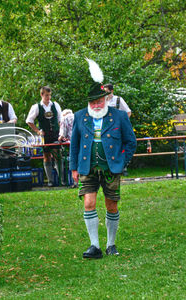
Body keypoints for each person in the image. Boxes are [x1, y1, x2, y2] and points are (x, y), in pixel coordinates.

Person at [70, 82, 136, 259]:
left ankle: (111, 244)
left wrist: (122, 161)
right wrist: (73, 167)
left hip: (111, 168)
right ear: (89, 103)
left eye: (99, 101)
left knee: (111, 205)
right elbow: (74, 144)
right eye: (93, 103)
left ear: (105, 99)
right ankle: (94, 246)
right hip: (87, 167)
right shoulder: (80, 116)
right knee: (88, 204)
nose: (96, 106)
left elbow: (131, 142)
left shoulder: (120, 116)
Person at [26, 86, 62, 187]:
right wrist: (37, 131)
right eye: (46, 95)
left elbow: (60, 119)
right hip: (45, 135)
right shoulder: (36, 107)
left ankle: (61, 180)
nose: (48, 97)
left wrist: (61, 132)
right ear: (42, 95)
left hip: (55, 133)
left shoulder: (55, 105)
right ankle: (50, 181)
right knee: (46, 156)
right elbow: (29, 121)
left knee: (58, 155)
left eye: (50, 95)